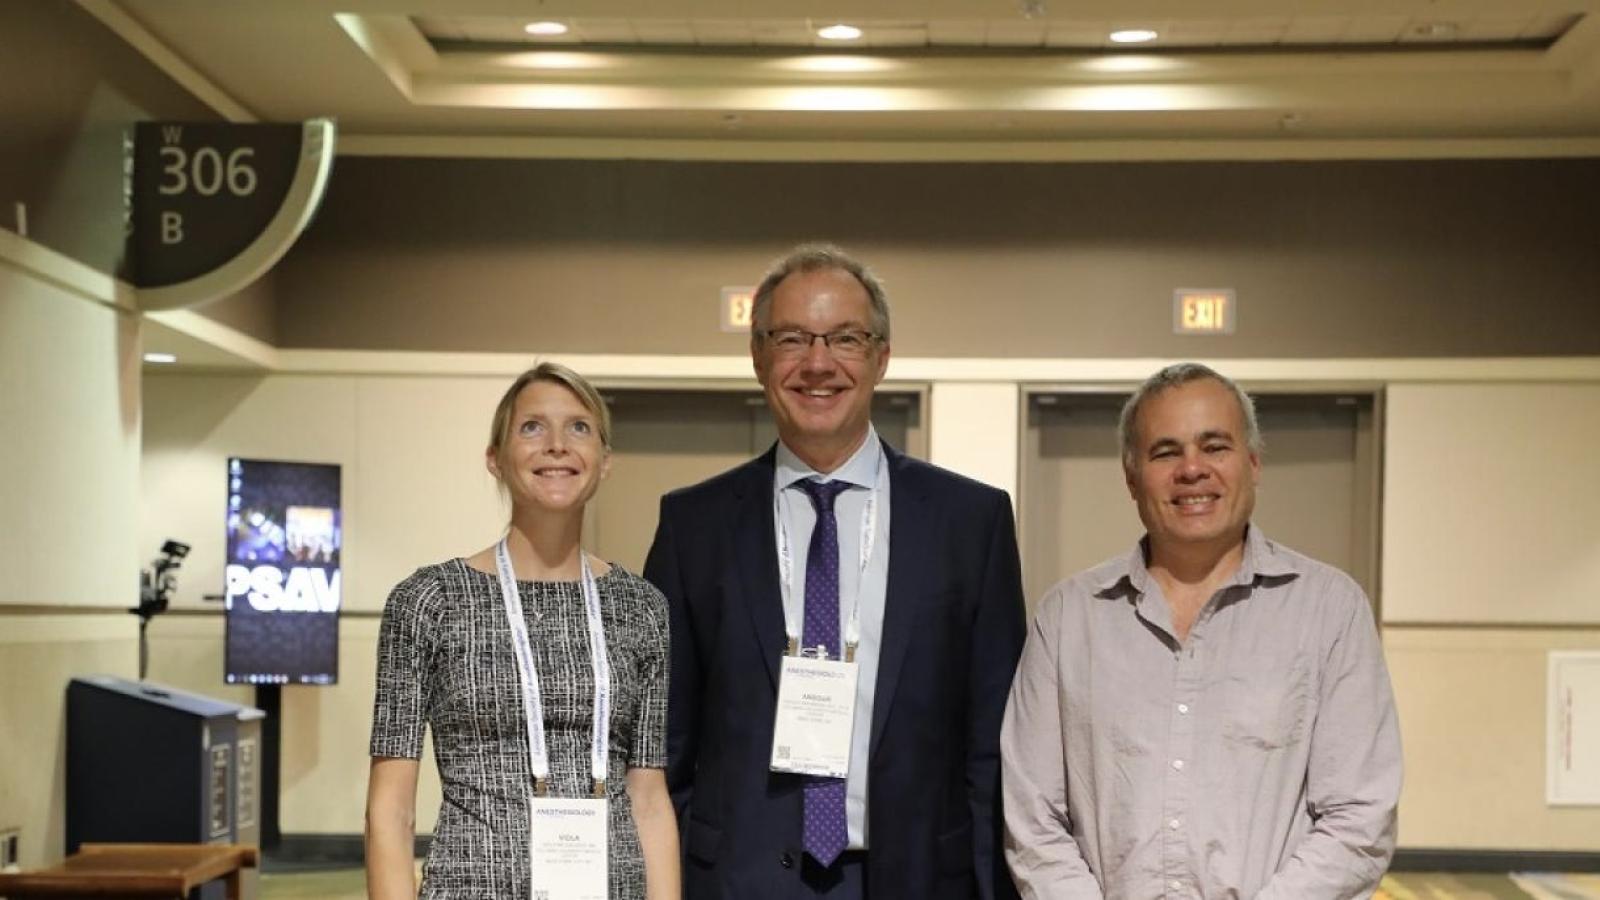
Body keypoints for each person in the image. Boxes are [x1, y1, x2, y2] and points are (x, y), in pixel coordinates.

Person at [644, 244, 1026, 900]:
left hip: (918, 880)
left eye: (845, 338)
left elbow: (992, 746)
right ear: (758, 356)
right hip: (737, 884)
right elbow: (664, 744)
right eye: (792, 338)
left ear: (882, 357)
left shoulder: (970, 522)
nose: (818, 363)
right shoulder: (694, 526)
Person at [1001, 363, 1402, 899]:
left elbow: (1358, 819)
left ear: (1253, 463)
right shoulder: (1068, 618)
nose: (1192, 469)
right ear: (1131, 478)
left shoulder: (1330, 610)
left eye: (1215, 447)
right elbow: (1033, 819)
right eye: (1165, 452)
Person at [365, 362, 680, 900]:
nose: (557, 444)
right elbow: (390, 810)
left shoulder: (641, 607)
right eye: (532, 427)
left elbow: (648, 798)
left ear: (604, 461)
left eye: (579, 427)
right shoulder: (430, 601)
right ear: (495, 458)